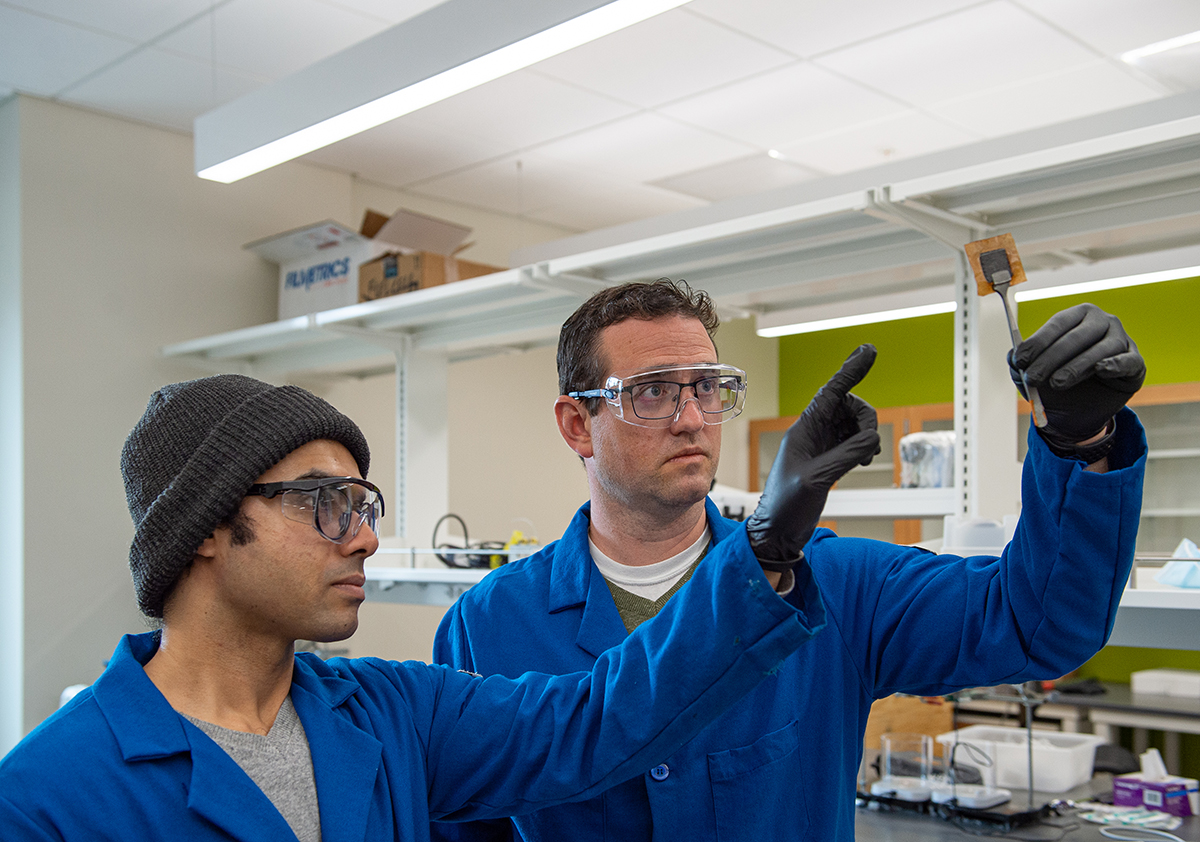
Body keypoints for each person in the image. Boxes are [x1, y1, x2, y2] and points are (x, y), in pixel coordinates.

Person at [0, 369, 876, 841]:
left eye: (364, 504)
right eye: (325, 503)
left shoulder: (393, 714)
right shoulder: (47, 796)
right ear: (203, 528)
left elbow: (602, 717)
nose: (365, 539)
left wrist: (761, 548)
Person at [432, 280, 1148, 842]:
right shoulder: (486, 626)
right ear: (575, 424)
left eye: (706, 388)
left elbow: (1041, 626)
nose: (689, 418)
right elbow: (463, 826)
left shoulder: (832, 585)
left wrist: (1080, 445)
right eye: (653, 391)